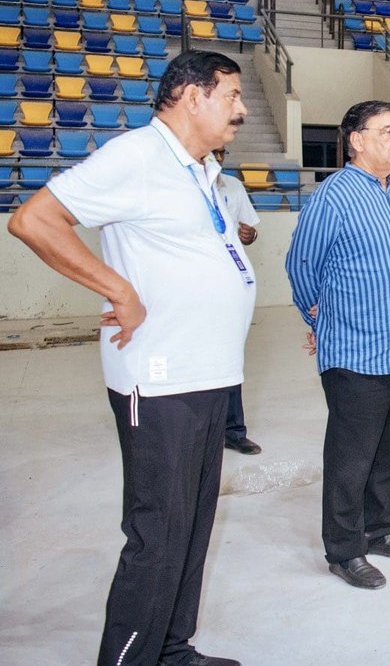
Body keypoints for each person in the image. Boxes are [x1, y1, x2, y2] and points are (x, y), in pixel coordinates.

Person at [8, 50, 252, 666]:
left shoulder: (200, 170)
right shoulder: (136, 156)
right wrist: (118, 290)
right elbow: (36, 220)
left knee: (192, 528)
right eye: (232, 96)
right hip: (160, 378)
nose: (242, 110)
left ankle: (171, 647)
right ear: (192, 96)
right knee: (158, 534)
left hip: (207, 374)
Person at [285, 100, 390, 591]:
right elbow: (301, 265)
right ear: (356, 140)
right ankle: (344, 550)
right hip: (356, 354)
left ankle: (379, 530)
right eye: (386, 130)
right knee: (351, 459)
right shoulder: (334, 196)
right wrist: (318, 316)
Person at [212, 146, 262, 456]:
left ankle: (233, 430)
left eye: (221, 153)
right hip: (192, 285)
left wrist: (248, 236)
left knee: (230, 354)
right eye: (212, 152)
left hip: (231, 282)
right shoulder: (183, 185)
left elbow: (250, 232)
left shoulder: (233, 186)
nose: (217, 158)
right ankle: (201, 429)